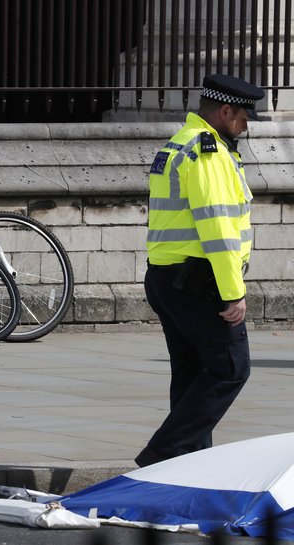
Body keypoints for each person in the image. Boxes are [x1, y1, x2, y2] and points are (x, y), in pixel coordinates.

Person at [135, 74, 265, 468]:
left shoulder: (180, 143)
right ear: (226, 111)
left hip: (167, 278)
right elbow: (218, 228)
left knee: (192, 374)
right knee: (231, 368)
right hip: (198, 282)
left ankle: (187, 467)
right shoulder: (208, 154)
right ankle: (165, 452)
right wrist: (233, 292)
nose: (246, 126)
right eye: (244, 117)